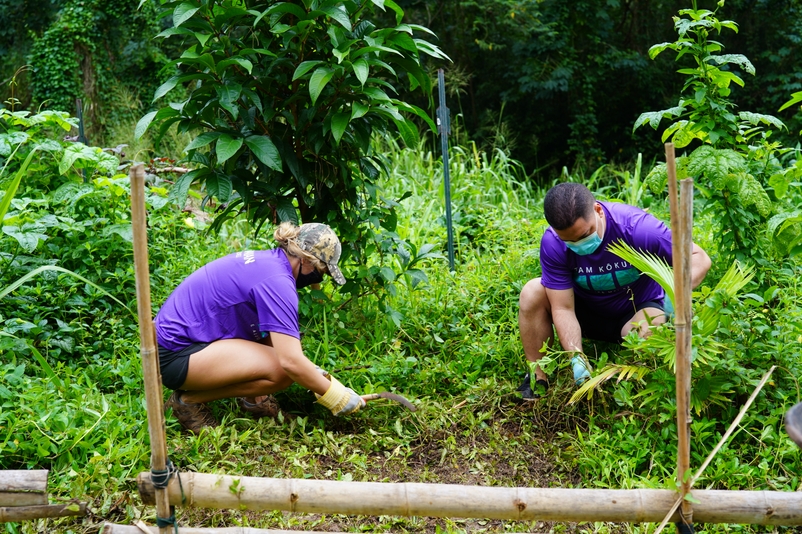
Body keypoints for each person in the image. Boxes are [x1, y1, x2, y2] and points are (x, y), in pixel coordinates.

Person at [154, 222, 365, 433]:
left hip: (185, 344)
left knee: (280, 344)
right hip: (175, 356)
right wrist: (338, 397)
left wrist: (312, 372)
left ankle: (255, 400)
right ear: (307, 261)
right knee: (283, 371)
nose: (318, 279)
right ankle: (187, 401)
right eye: (322, 271)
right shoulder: (277, 282)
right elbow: (290, 362)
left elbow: (276, 340)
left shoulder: (269, 262)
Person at [517, 183, 712, 400]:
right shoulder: (553, 243)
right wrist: (576, 357)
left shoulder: (637, 228)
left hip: (637, 310)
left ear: (598, 211)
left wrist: (674, 294)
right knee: (532, 291)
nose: (579, 243)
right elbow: (562, 307)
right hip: (585, 314)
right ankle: (536, 377)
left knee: (653, 326)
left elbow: (699, 259)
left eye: (585, 234)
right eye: (569, 241)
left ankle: (633, 381)